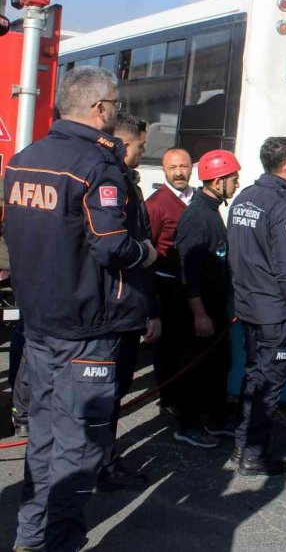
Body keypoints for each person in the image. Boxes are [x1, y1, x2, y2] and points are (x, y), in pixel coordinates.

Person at [4, 66, 158, 552]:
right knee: (78, 445)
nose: (114, 112)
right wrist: (147, 253)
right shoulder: (97, 165)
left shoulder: (24, 159)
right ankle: (60, 541)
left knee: (45, 437)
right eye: (113, 104)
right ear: (99, 109)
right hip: (86, 326)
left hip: (40, 322)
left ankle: (31, 534)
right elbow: (112, 245)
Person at [227, 137, 286, 476]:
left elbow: (235, 256)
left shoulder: (243, 198)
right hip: (275, 314)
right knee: (268, 386)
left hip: (248, 308)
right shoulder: (283, 206)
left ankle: (240, 447)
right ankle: (253, 456)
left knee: (253, 379)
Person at [97, 112, 161, 491]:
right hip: (115, 309)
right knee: (107, 392)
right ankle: (101, 464)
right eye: (140, 145)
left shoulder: (128, 183)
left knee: (113, 392)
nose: (143, 151)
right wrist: (145, 253)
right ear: (124, 144)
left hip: (126, 305)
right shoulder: (112, 184)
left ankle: (104, 458)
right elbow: (116, 247)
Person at [173, 149, 241, 449]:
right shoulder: (197, 217)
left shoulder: (211, 210)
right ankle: (188, 424)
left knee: (218, 367)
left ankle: (215, 418)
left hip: (216, 309)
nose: (237, 184)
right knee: (195, 370)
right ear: (217, 181)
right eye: (233, 179)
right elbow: (187, 271)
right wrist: (199, 314)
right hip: (200, 312)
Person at [145, 147, 194, 419]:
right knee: (168, 351)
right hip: (166, 290)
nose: (179, 172)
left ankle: (187, 396)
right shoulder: (155, 204)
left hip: (191, 289)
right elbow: (148, 251)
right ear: (164, 170)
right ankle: (168, 399)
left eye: (183, 166)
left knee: (189, 348)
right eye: (173, 167)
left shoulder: (196, 199)